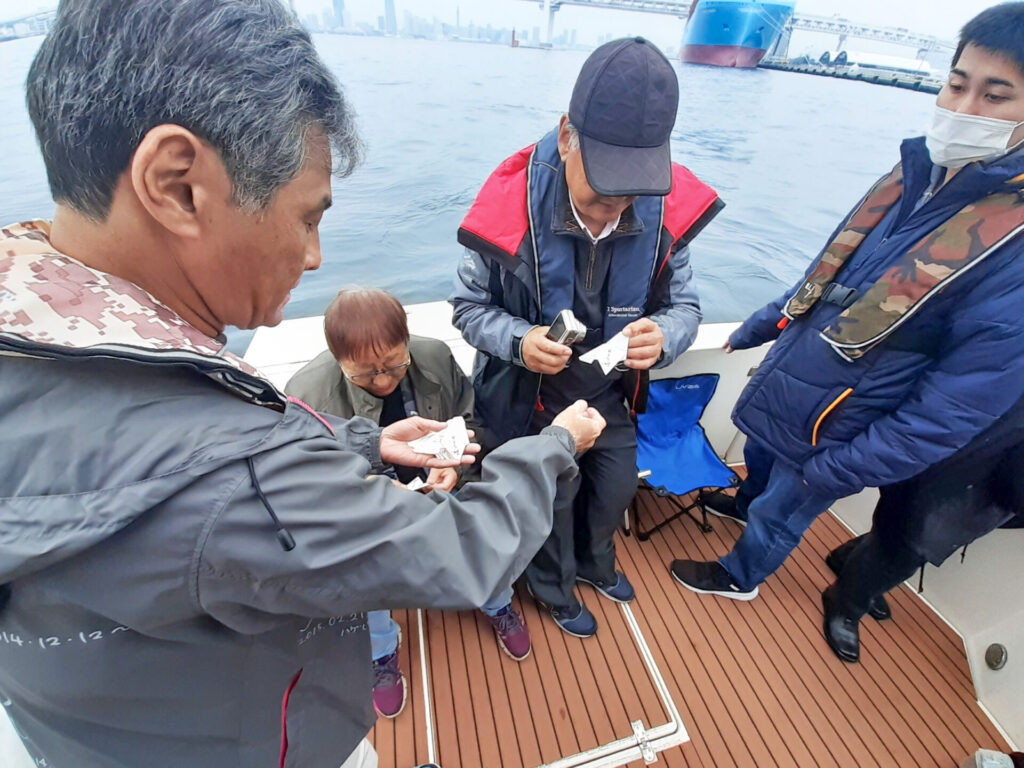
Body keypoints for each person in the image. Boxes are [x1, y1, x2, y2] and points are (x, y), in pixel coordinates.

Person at [0, 2, 607, 767]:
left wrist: (362, 440)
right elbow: (461, 551)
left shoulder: (28, 349)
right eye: (307, 217)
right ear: (178, 184)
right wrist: (557, 444)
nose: (315, 256)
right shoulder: (240, 474)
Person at [671, 2, 1024, 603]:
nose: (963, 109)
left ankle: (740, 576)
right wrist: (760, 324)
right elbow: (828, 275)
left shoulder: (1012, 250)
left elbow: (953, 409)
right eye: (957, 84)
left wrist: (843, 467)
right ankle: (744, 501)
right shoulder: (911, 176)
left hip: (846, 428)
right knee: (759, 466)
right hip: (794, 383)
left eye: (997, 96)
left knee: (784, 510)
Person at [451, 37, 722, 637]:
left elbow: (686, 307)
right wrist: (521, 342)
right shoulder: (506, 211)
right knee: (550, 503)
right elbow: (468, 309)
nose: (611, 214)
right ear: (567, 137)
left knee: (614, 488)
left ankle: (597, 564)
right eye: (601, 195)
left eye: (630, 197)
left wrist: (668, 336)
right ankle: (553, 590)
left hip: (608, 393)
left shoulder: (659, 212)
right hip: (529, 399)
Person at [286, 287, 533, 721]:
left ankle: (496, 601)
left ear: (408, 340)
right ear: (335, 357)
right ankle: (381, 650)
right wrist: (373, 492)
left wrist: (455, 467)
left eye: (394, 365)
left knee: (476, 533)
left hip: (442, 488)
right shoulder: (306, 394)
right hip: (367, 511)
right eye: (364, 375)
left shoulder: (435, 356)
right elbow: (311, 484)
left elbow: (469, 421)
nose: (382, 380)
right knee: (361, 567)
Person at [822, 393, 1024, 662]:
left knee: (903, 529)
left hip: (977, 461)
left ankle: (847, 559)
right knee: (909, 542)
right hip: (967, 464)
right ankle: (845, 601)